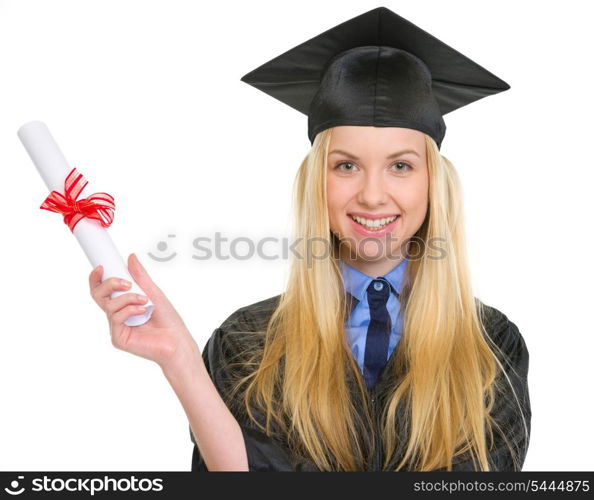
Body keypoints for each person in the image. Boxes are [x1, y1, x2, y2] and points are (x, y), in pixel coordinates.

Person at [89, 6, 531, 472]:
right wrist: (182, 363)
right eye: (346, 165)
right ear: (316, 181)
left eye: (400, 165)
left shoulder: (490, 346)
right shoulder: (249, 343)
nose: (373, 194)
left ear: (432, 183)